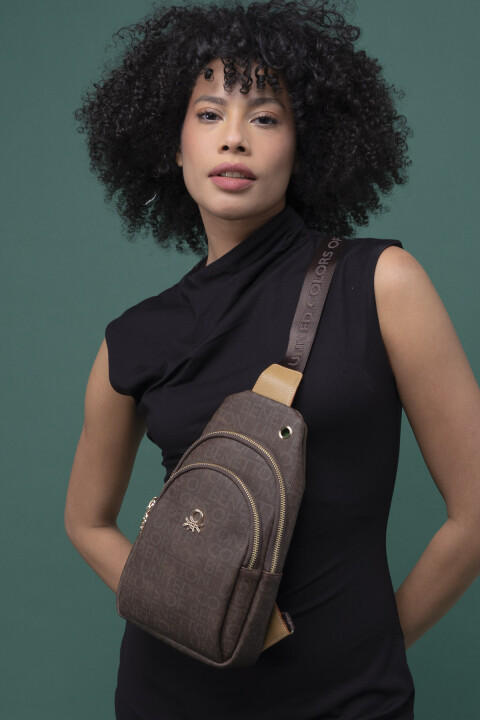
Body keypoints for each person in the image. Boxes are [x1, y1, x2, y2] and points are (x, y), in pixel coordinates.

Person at [65, 1, 480, 718]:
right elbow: (86, 521)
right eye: (208, 114)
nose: (234, 138)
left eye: (264, 117)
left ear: (302, 144)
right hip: (167, 698)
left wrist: (375, 649)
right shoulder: (133, 337)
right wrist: (185, 607)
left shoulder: (380, 283)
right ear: (173, 145)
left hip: (348, 699)